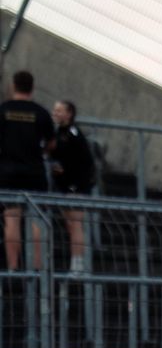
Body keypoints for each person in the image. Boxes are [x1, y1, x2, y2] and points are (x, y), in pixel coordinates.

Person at [0, 70, 54, 272]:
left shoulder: (4, 109)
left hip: (8, 171)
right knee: (36, 219)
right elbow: (51, 143)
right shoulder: (41, 112)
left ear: (14, 86)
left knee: (11, 219)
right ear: (32, 87)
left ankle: (13, 266)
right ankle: (37, 267)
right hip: (34, 172)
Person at [48, 98, 96, 273]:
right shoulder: (60, 132)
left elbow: (83, 161)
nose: (55, 113)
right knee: (69, 223)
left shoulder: (74, 134)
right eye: (55, 110)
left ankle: (78, 263)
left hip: (77, 185)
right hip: (66, 185)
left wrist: (73, 178)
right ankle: (75, 261)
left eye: (59, 110)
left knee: (75, 223)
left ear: (69, 114)